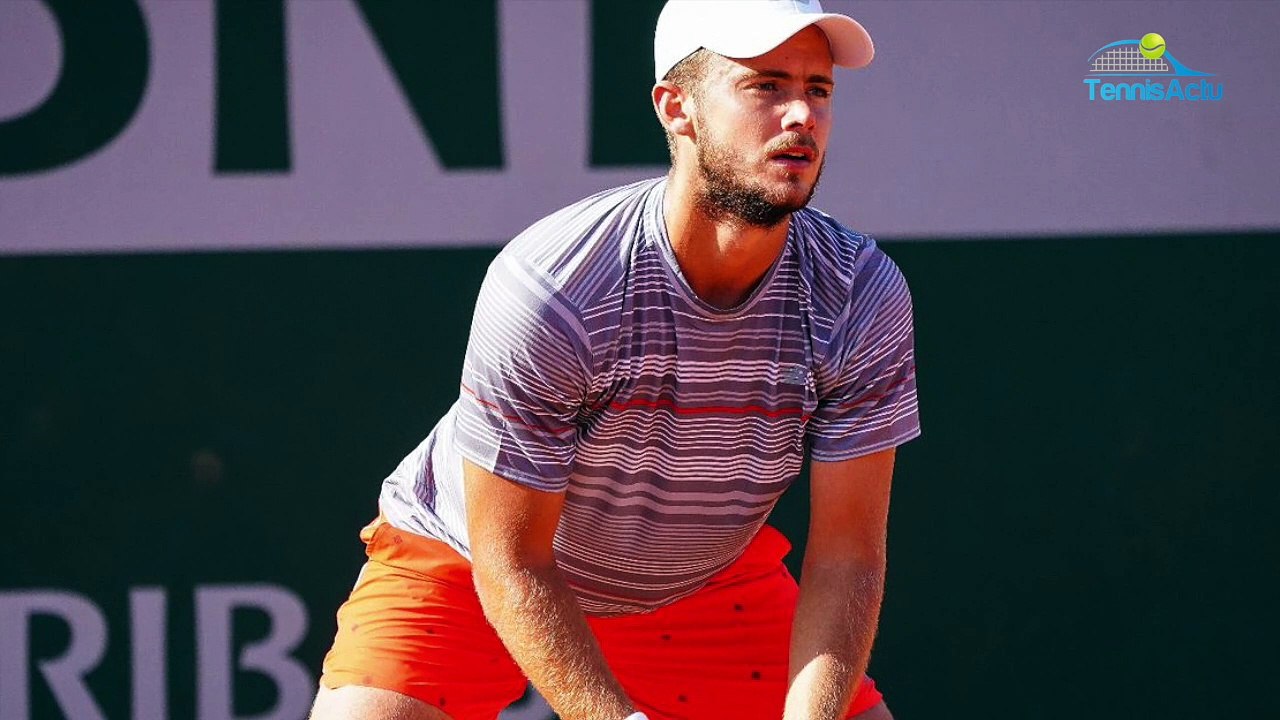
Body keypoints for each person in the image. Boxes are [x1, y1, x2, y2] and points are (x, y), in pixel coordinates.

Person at [311, 1, 919, 718]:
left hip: (705, 582)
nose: (801, 116)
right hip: (470, 563)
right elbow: (513, 560)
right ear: (676, 108)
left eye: (819, 90)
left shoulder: (858, 291)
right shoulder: (556, 287)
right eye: (765, 86)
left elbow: (847, 555)